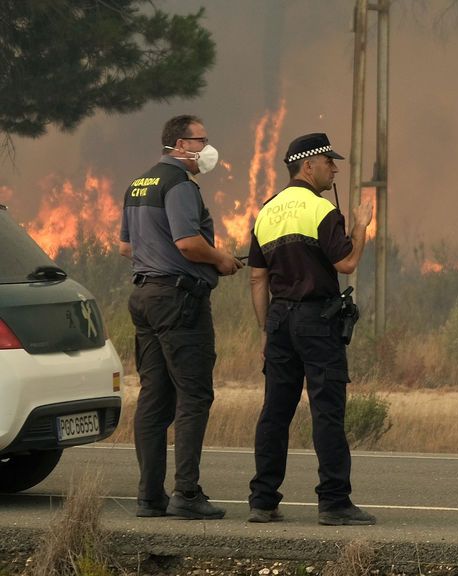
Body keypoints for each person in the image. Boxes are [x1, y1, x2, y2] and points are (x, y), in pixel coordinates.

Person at [119, 114, 243, 520]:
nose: (206, 148)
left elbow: (125, 247)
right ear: (178, 144)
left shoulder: (139, 183)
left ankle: (149, 497)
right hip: (179, 300)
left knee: (155, 397)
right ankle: (186, 494)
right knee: (194, 395)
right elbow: (189, 243)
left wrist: (157, 254)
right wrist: (221, 258)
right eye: (200, 140)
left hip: (145, 297)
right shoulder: (180, 185)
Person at [246, 132, 374, 526]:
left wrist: (266, 331)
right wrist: (362, 225)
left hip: (280, 320)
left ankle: (263, 500)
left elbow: (256, 278)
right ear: (307, 166)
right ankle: (334, 503)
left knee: (275, 412)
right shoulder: (320, 211)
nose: (334, 168)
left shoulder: (266, 212)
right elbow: (347, 264)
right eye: (328, 162)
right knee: (327, 411)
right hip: (317, 321)